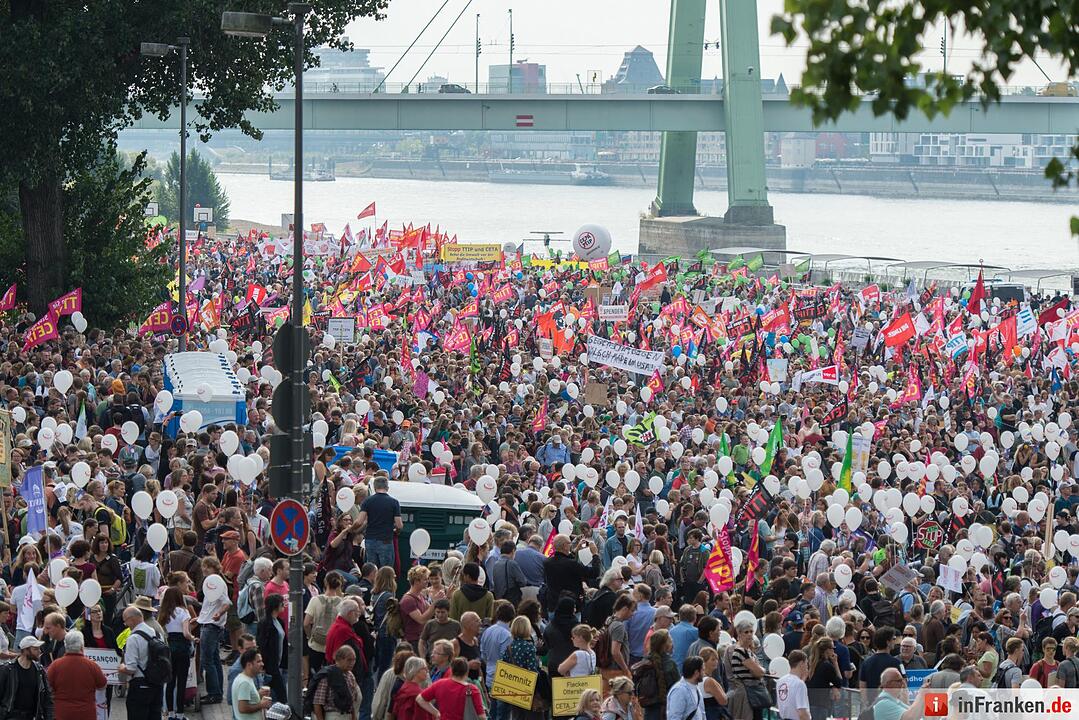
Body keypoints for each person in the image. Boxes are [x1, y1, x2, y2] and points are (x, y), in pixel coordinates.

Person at [45, 631, 107, 720]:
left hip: (62, 713)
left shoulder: (55, 665)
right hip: (86, 713)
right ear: (82, 645)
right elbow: (102, 685)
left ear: (65, 645)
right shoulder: (92, 666)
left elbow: (47, 687)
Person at [117, 606, 163, 720]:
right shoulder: (157, 634)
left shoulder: (133, 638)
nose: (125, 624)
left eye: (125, 621)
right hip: (157, 684)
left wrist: (122, 667)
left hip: (140, 685)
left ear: (132, 619)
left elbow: (131, 668)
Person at [157, 586, 195, 720]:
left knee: (170, 682)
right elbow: (186, 633)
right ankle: (180, 714)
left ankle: (170, 713)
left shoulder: (164, 613)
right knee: (182, 682)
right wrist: (193, 638)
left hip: (169, 647)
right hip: (182, 648)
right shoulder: (183, 612)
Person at [416, 657, 487, 720]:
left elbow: (420, 699)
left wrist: (436, 712)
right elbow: (481, 716)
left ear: (452, 670)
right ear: (467, 672)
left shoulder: (439, 684)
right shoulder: (472, 689)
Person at [0, 637, 52, 720]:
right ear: (25, 650)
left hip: (32, 716)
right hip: (11, 716)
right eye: (35, 649)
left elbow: (47, 697)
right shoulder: (7, 670)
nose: (39, 651)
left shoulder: (39, 670)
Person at [356, 476, 402, 569]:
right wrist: (397, 531)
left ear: (374, 487)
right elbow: (399, 525)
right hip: (386, 539)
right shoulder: (394, 502)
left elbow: (360, 521)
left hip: (370, 539)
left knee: (372, 570)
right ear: (387, 488)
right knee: (386, 571)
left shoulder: (367, 501)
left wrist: (351, 530)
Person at [311, 645, 361, 720]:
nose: (352, 663)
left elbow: (351, 702)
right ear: (339, 659)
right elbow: (317, 702)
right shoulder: (327, 675)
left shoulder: (350, 676)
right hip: (333, 716)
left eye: (354, 660)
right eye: (349, 660)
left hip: (348, 715)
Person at [256, 592, 289, 702]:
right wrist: (264, 666)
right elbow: (262, 646)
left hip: (281, 664)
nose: (283, 606)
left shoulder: (279, 621)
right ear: (275, 607)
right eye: (281, 604)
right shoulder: (265, 623)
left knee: (277, 695)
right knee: (281, 696)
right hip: (271, 666)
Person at [231, 648, 273, 720]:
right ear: (249, 665)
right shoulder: (245, 683)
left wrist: (258, 694)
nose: (262, 664)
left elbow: (246, 699)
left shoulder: (243, 678)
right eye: (258, 661)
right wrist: (261, 705)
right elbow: (243, 708)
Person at [666, 656, 706, 720]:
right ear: (696, 673)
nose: (704, 673)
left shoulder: (696, 688)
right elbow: (674, 717)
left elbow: (702, 713)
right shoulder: (679, 691)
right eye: (703, 670)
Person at [392, 656, 431, 720]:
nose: (427, 671)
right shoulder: (417, 694)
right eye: (424, 668)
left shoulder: (405, 687)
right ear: (416, 671)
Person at [777, 649, 811, 720]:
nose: (807, 666)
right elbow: (802, 712)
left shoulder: (780, 681)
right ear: (801, 664)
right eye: (806, 663)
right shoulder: (799, 684)